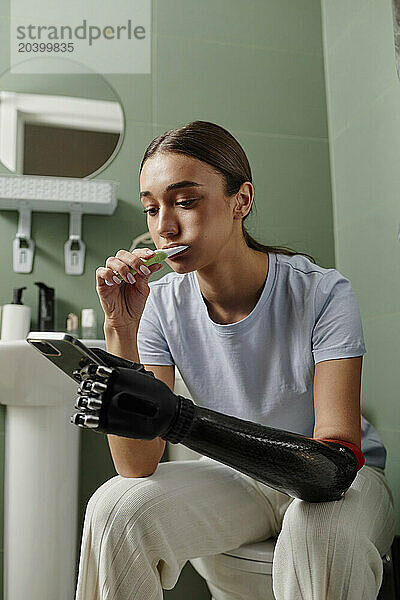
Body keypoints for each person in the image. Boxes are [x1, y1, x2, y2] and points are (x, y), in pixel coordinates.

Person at [74, 121, 395, 600]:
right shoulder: (160, 305)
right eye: (151, 208)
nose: (164, 226)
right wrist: (123, 329)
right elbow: (136, 465)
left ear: (241, 200)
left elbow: (331, 465)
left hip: (339, 478)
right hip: (236, 476)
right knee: (114, 509)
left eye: (185, 201)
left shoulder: (323, 293)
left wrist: (180, 420)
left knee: (320, 535)